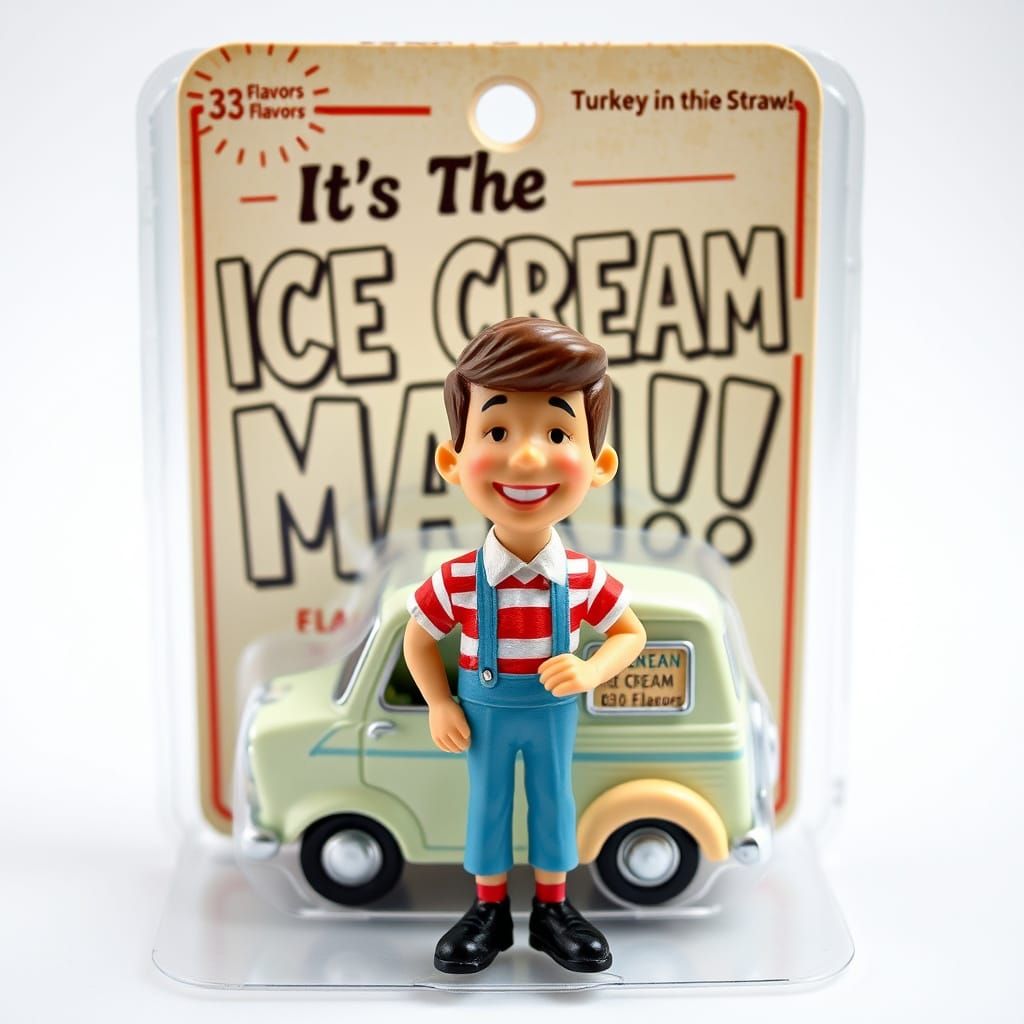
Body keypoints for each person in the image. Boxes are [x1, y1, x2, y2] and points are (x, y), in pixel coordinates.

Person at [403, 316, 647, 974]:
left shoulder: (583, 578)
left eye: (559, 434)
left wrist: (590, 669)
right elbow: (417, 639)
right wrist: (439, 703)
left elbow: (630, 633)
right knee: (487, 803)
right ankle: (487, 910)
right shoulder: (458, 578)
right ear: (453, 460)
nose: (529, 458)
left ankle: (552, 909)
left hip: (552, 710)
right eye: (498, 432)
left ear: (600, 465)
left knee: (553, 801)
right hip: (483, 710)